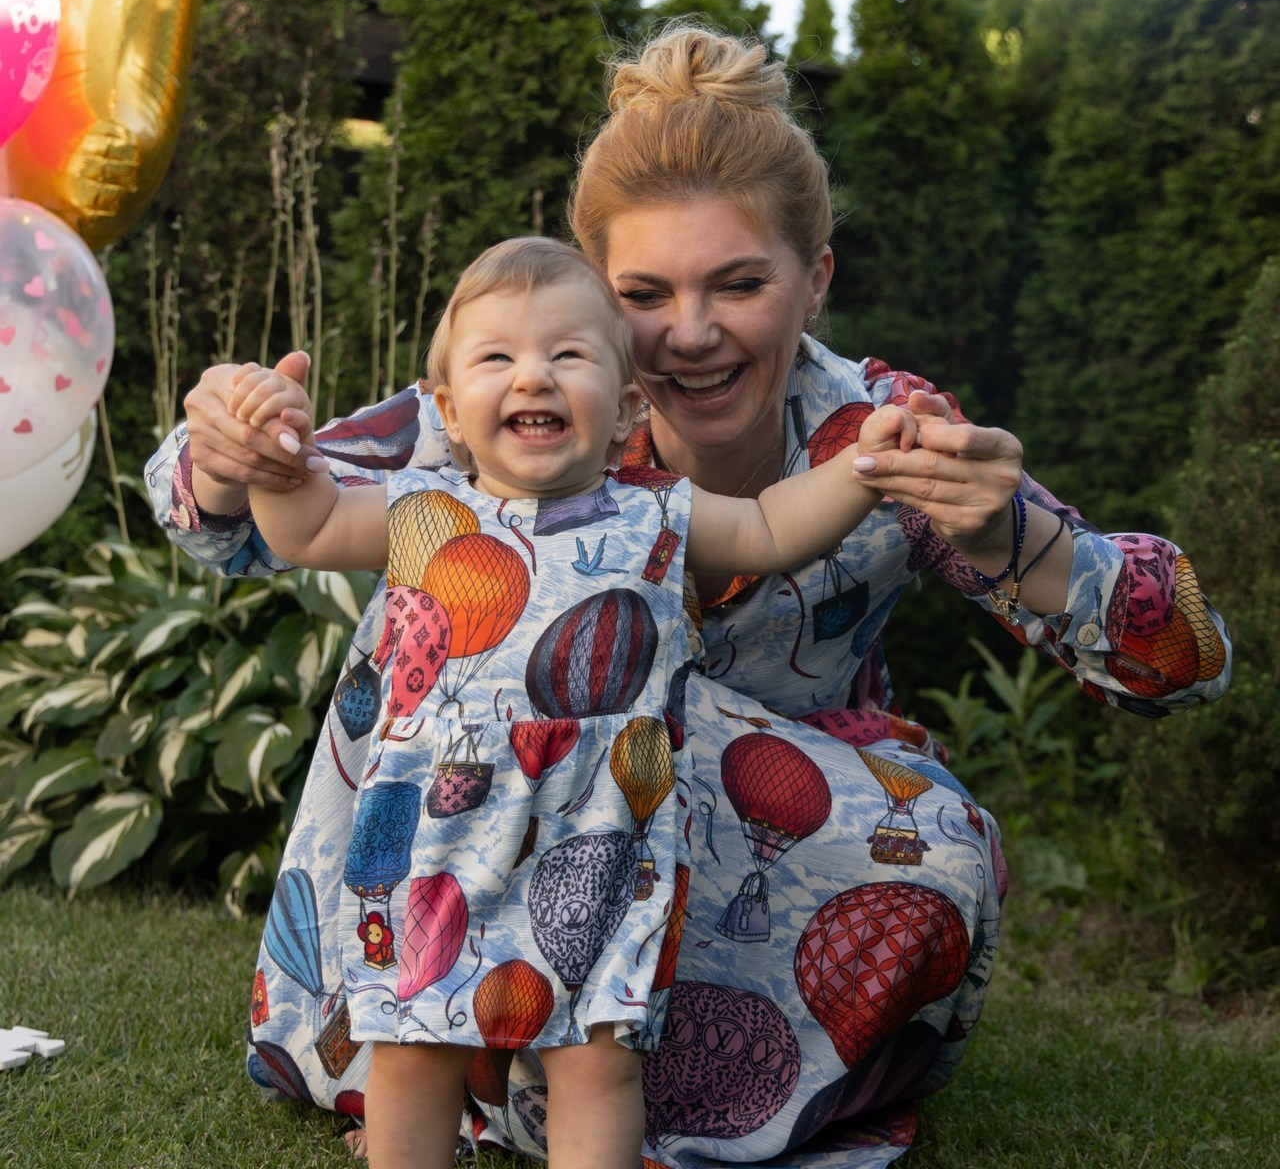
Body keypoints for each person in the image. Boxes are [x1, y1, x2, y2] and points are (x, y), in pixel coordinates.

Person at [145, 27, 1230, 1169]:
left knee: (935, 843)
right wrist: (227, 448)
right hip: (469, 838)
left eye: (741, 283)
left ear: (813, 278)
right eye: (644, 292)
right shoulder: (512, 397)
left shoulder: (879, 431)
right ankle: (438, 1051)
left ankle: (608, 1090)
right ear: (591, 291)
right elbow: (241, 510)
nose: (691, 333)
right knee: (448, 585)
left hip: (737, 864)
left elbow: (1180, 667)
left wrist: (1018, 537)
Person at [227, 235, 915, 1169]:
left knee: (596, 1060)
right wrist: (275, 464)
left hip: (601, 835)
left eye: (569, 355)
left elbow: (770, 528)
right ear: (448, 410)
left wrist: (864, 462)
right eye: (498, 357)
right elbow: (304, 525)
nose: (533, 377)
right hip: (435, 834)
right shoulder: (419, 507)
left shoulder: (657, 512)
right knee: (412, 1049)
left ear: (628, 402)